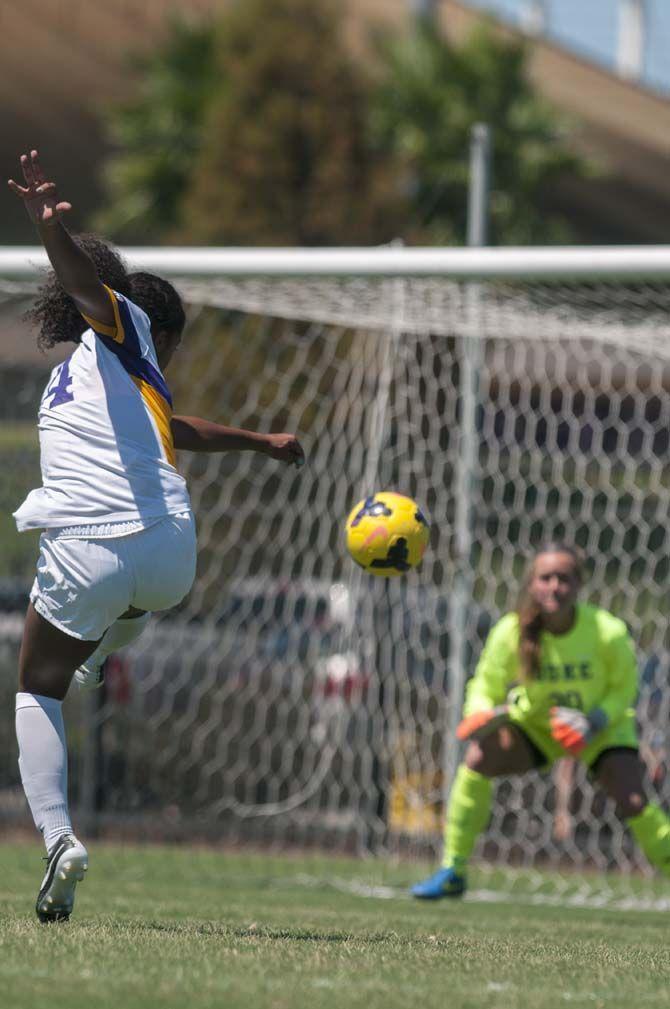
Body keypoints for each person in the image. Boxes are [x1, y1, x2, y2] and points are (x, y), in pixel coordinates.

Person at [8, 150, 305, 922]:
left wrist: (257, 441)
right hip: (172, 549)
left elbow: (182, 425)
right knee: (128, 607)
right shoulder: (128, 325)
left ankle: (58, 841)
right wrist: (52, 229)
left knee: (36, 686)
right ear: (156, 324)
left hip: (88, 544)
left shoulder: (80, 376)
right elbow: (81, 284)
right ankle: (104, 651)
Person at [412, 542, 670, 899]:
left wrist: (594, 721)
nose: (554, 587)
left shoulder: (607, 631)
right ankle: (453, 869)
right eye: (546, 578)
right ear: (532, 584)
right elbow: (485, 684)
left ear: (579, 585)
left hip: (600, 730)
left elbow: (625, 689)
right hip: (538, 728)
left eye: (564, 579)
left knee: (634, 799)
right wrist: (480, 715)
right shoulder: (511, 631)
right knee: (479, 756)